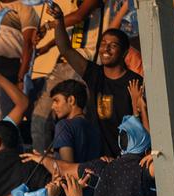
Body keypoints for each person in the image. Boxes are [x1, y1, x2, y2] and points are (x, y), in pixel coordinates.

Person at [48, 3, 142, 157]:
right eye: (103, 44)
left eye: (113, 45)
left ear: (124, 53)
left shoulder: (135, 82)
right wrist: (59, 20)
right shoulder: (94, 74)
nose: (106, 49)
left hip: (127, 160)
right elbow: (66, 49)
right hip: (100, 160)